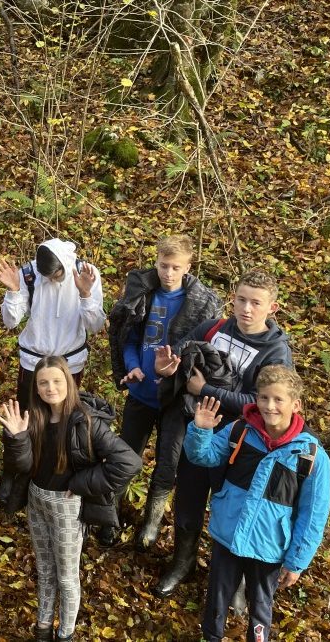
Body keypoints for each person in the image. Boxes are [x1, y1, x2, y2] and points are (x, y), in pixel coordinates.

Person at [151, 268, 294, 597]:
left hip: (242, 444)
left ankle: (230, 577)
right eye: (241, 300)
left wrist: (207, 390)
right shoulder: (214, 328)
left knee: (232, 508)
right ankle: (182, 562)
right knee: (188, 498)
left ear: (272, 307)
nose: (246, 309)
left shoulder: (276, 352)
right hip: (200, 431)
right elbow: (181, 354)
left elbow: (262, 402)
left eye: (255, 303)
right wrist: (168, 366)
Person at [0, 356, 140, 641]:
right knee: (45, 570)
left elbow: (128, 462)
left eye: (57, 381)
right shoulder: (34, 417)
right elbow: (22, 467)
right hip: (37, 501)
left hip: (67, 506)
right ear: (36, 388)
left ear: (70, 382)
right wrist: (17, 438)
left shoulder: (86, 421)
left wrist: (81, 482)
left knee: (66, 575)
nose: (50, 388)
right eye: (43, 383)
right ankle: (43, 628)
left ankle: (66, 633)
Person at [183, 366, 330, 642]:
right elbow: (202, 457)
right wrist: (200, 431)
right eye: (263, 398)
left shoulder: (311, 456)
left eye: (278, 399)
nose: (269, 406)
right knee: (216, 599)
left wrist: (297, 561)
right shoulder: (239, 430)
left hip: (269, 546)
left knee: (261, 607)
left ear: (295, 405)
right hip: (228, 533)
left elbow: (313, 515)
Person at [105, 234, 222, 548]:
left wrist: (177, 373)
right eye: (163, 265)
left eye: (175, 267)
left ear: (188, 267)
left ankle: (152, 522)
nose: (168, 273)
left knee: (167, 464)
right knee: (125, 455)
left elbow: (205, 354)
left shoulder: (203, 303)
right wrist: (131, 365)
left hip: (176, 399)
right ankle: (110, 514)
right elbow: (126, 336)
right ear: (155, 262)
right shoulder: (143, 291)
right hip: (141, 393)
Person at [0, 238, 104, 413]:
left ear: (64, 265)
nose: (51, 280)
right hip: (33, 363)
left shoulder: (86, 273)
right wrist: (13, 290)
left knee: (65, 419)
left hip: (69, 364)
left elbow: (95, 326)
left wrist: (85, 294)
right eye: (47, 277)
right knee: (29, 417)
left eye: (56, 276)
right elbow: (10, 322)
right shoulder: (29, 273)